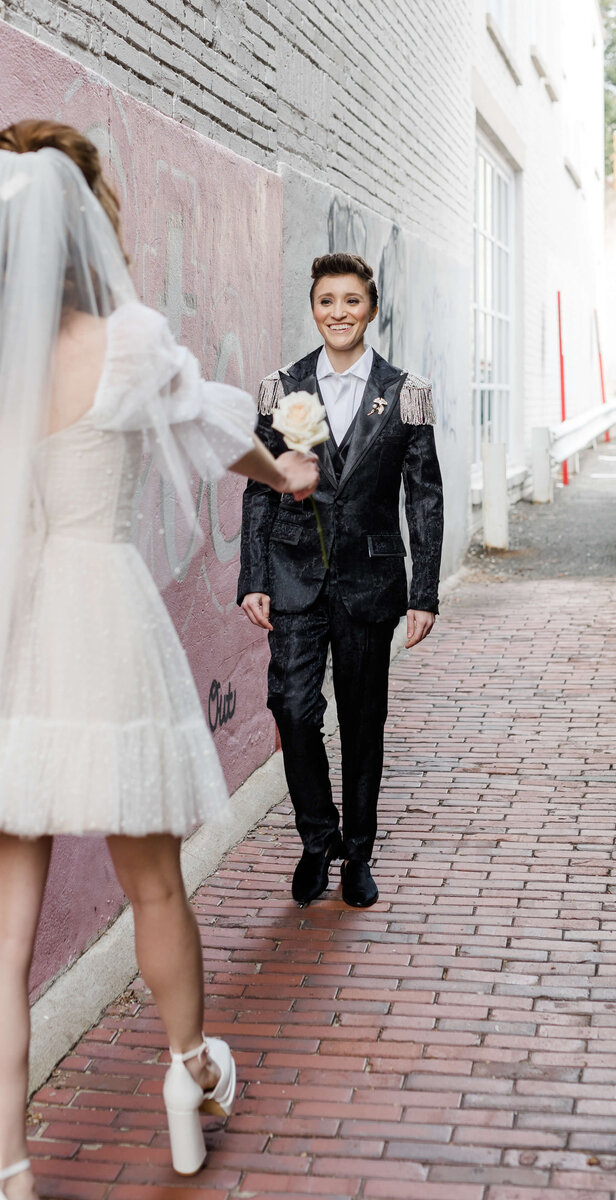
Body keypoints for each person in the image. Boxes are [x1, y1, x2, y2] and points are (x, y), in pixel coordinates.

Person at [0, 120, 318, 1198]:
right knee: (153, 887)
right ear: (88, 223)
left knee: (2, 924)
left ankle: (4, 1174)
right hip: (100, 624)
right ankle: (189, 1076)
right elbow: (212, 429)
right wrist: (284, 476)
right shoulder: (127, 343)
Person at [238, 252, 443, 910]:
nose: (339, 312)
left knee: (362, 721)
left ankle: (357, 852)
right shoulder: (283, 387)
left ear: (371, 309)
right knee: (292, 710)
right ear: (314, 307)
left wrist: (425, 591)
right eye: (327, 301)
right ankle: (315, 836)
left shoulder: (407, 391)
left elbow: (424, 498)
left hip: (371, 581)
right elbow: (261, 488)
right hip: (294, 576)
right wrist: (253, 576)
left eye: (351, 301)